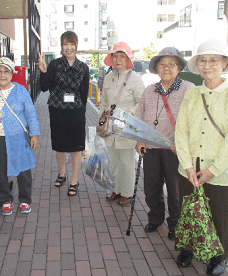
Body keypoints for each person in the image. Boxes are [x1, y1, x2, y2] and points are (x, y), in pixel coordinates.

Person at [175, 39, 228, 275]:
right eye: (203, 60)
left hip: (222, 171)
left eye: (214, 60)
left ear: (224, 63)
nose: (208, 66)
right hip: (190, 168)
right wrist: (186, 165)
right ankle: (188, 249)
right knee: (188, 211)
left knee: (220, 216)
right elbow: (181, 132)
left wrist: (213, 170)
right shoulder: (192, 94)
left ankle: (218, 258)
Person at [134, 47, 195, 240]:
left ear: (179, 68)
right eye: (162, 64)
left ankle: (175, 225)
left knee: (176, 192)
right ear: (156, 68)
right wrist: (139, 139)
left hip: (175, 150)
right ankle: (155, 218)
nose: (166, 68)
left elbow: (194, 121)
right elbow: (139, 117)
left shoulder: (188, 89)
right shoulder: (149, 90)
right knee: (151, 187)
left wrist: (182, 144)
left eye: (171, 64)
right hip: (151, 148)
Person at [0, 57, 40, 215]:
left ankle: (25, 200)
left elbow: (31, 113)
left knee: (23, 170)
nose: (3, 75)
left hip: (18, 137)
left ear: (12, 73)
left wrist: (34, 134)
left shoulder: (20, 91)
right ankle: (5, 199)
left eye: (6, 71)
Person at [38, 31, 90, 196]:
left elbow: (84, 93)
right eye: (65, 44)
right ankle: (62, 174)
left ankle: (74, 181)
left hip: (76, 112)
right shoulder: (54, 64)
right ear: (61, 46)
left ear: (76, 46)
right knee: (59, 146)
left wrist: (81, 112)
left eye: (72, 44)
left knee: (76, 147)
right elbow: (44, 87)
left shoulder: (83, 67)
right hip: (57, 110)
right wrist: (44, 72)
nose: (69, 48)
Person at [100, 42, 145, 206]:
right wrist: (101, 120)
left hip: (127, 127)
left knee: (126, 162)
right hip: (110, 127)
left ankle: (128, 192)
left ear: (128, 59)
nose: (118, 59)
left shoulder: (135, 78)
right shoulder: (109, 77)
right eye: (115, 55)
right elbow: (104, 100)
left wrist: (128, 116)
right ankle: (117, 189)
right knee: (114, 160)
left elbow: (142, 102)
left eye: (122, 56)